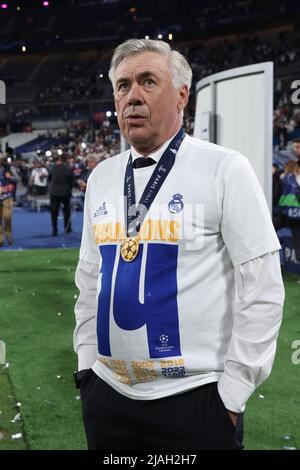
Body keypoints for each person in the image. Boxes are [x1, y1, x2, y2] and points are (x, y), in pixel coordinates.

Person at [73, 39, 285, 450]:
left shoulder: (225, 168)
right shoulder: (101, 176)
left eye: (147, 82)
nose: (131, 97)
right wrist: (86, 368)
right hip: (108, 398)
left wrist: (232, 394)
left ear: (182, 95)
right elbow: (88, 279)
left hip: (195, 401)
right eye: (122, 86)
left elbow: (262, 288)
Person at [48, 153, 73, 236]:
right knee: (66, 211)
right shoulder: (68, 169)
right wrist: (70, 190)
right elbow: (71, 182)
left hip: (54, 193)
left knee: (54, 212)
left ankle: (54, 230)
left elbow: (49, 180)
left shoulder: (52, 168)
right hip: (65, 193)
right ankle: (67, 228)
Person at [0, 155, 19, 246]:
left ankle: (8, 235)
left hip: (7, 197)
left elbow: (17, 178)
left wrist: (10, 177)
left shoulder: (9, 168)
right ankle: (0, 239)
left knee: (7, 217)